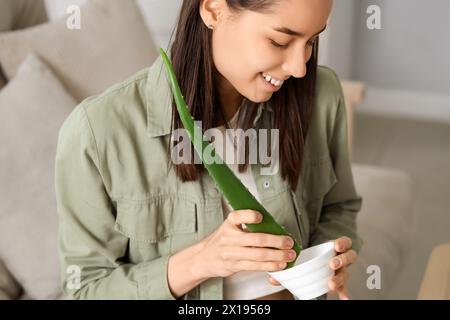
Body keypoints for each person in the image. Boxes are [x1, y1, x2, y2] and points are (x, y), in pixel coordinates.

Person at [55, 0, 361, 300]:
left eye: (312, 40)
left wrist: (327, 261)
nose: (299, 68)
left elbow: (339, 207)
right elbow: (85, 290)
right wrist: (202, 261)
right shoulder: (97, 132)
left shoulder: (321, 96)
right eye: (280, 41)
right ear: (214, 9)